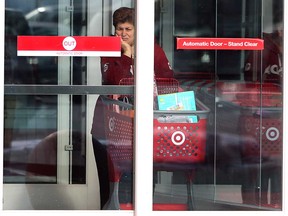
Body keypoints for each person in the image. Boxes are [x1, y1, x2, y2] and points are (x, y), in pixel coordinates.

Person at [91, 7, 174, 209]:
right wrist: (127, 54)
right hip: (109, 126)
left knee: (143, 181)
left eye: (128, 28)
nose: (124, 34)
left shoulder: (153, 49)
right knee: (109, 180)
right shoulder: (110, 50)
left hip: (145, 125)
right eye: (119, 29)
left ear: (139, 29)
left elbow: (168, 82)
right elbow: (116, 81)